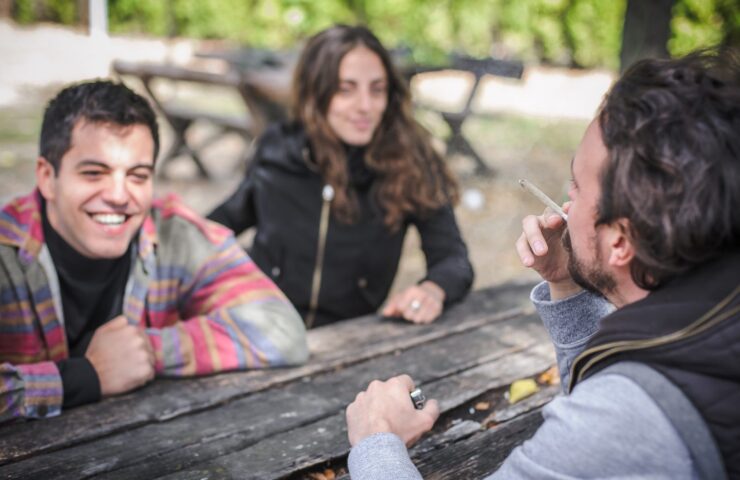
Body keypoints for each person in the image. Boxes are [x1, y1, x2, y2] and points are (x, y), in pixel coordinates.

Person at [344, 49, 740, 478]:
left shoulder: (624, 421)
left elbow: (608, 422)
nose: (567, 202)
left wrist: (376, 441)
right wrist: (568, 285)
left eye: (576, 185)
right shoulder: (715, 314)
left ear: (621, 241)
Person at [0, 80, 309, 423]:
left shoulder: (173, 234)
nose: (119, 195)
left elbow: (283, 332)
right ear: (46, 177)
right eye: (93, 173)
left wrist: (146, 349)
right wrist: (84, 376)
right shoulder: (6, 250)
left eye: (137, 175)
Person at [207, 25, 474, 328]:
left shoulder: (410, 162)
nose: (365, 106)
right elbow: (224, 221)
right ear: (316, 93)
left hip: (347, 340)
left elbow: (453, 259)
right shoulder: (277, 147)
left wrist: (432, 290)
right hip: (261, 328)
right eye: (345, 89)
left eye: (377, 89)